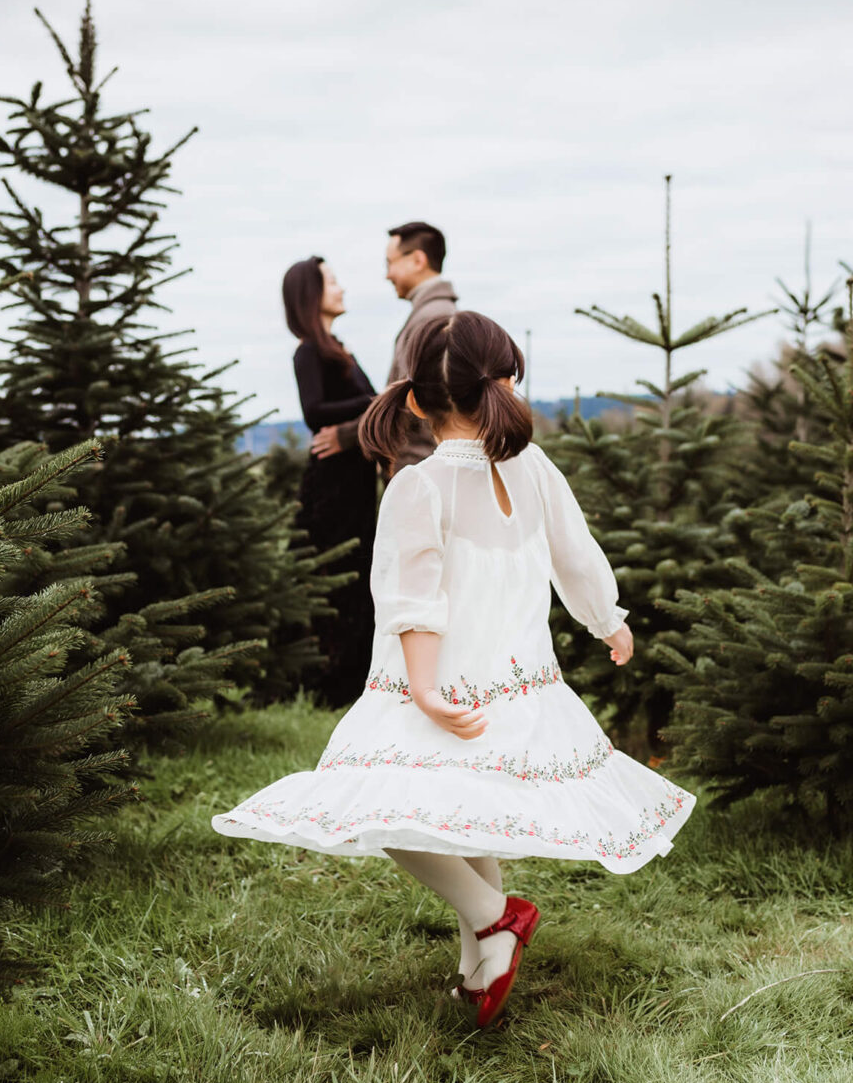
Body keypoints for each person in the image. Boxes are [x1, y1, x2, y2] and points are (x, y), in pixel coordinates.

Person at [213, 310, 693, 1027]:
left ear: (414, 400)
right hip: (515, 684)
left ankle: (496, 918)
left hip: (434, 681)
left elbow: (416, 600)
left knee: (383, 809)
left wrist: (426, 692)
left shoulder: (420, 484)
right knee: (465, 816)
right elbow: (577, 554)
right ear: (499, 384)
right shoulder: (530, 466)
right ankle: (478, 962)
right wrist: (609, 619)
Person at [283, 256, 380, 704]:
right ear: (311, 296)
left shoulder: (339, 348)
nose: (341, 288)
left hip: (354, 479)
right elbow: (313, 412)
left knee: (356, 573)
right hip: (331, 485)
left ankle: (352, 676)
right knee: (333, 574)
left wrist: (371, 403)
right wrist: (373, 402)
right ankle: (324, 682)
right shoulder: (309, 350)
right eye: (332, 282)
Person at [308, 220, 456, 469]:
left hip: (420, 466)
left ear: (417, 260)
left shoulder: (432, 318)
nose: (387, 274)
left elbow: (408, 400)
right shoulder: (431, 313)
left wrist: (346, 435)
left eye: (390, 263)